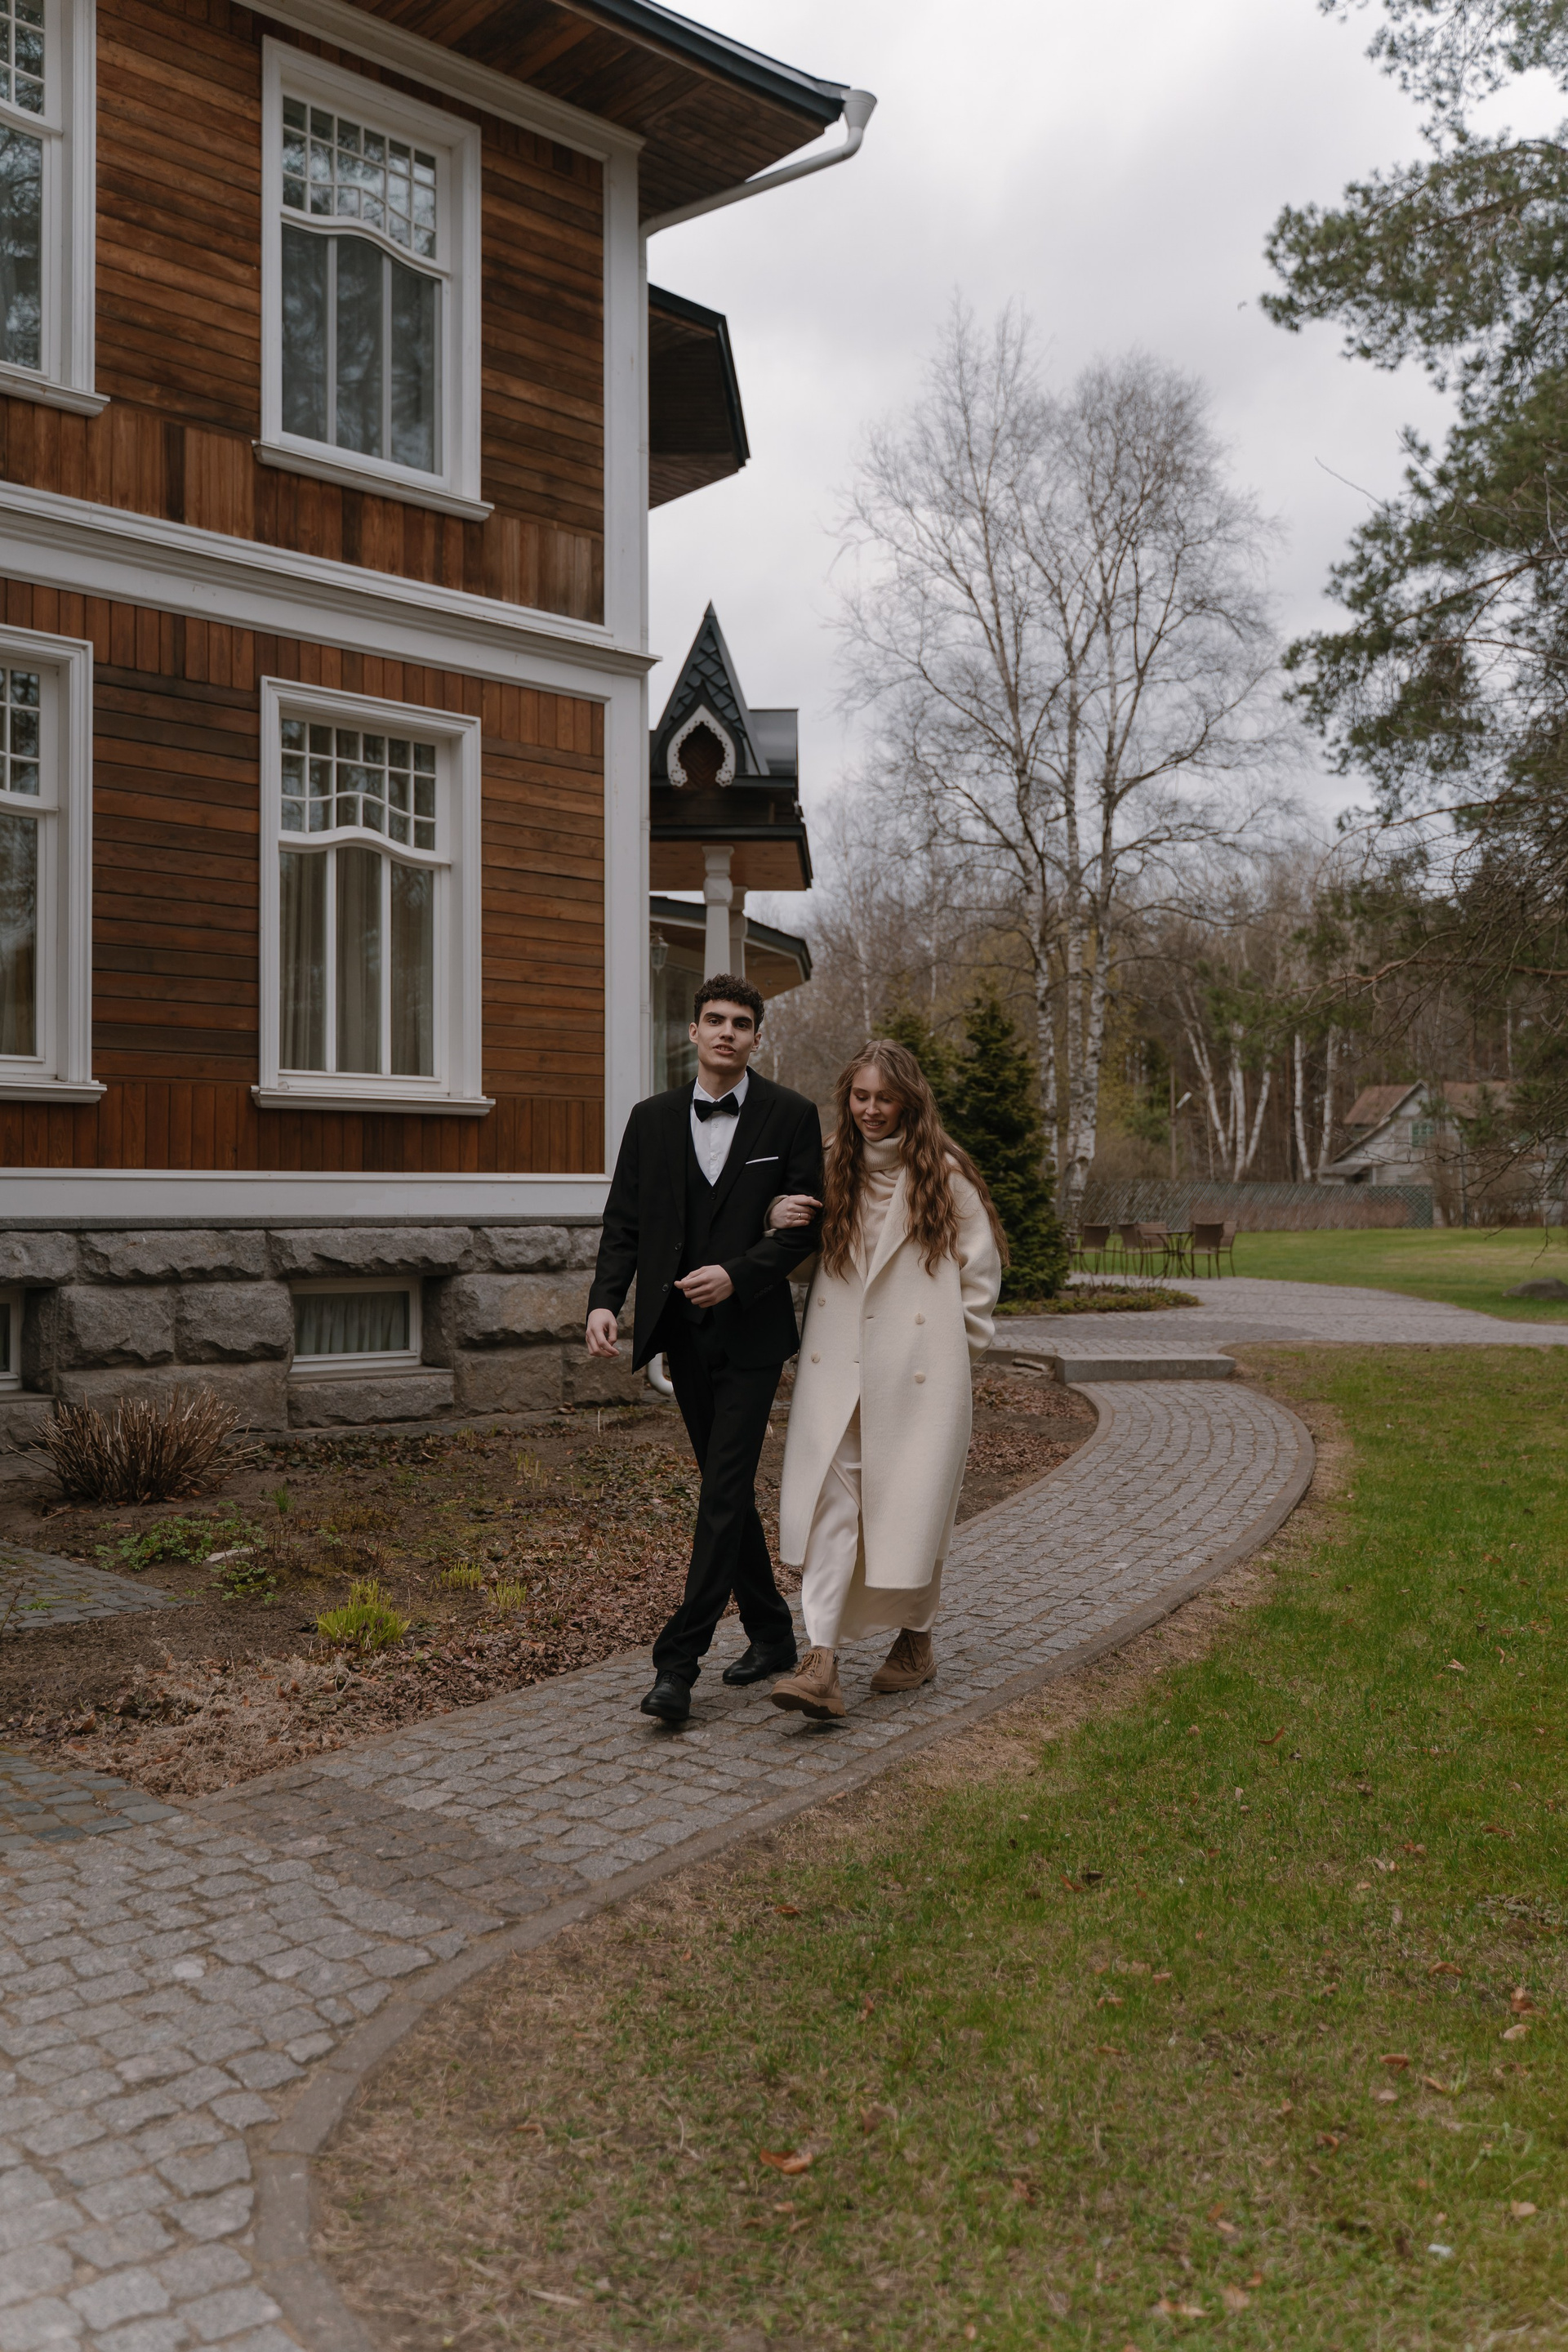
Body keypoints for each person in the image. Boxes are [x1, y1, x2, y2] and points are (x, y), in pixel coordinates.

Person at [586, 975, 823, 1726]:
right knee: (730, 1494)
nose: (727, 1031)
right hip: (681, 1334)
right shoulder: (650, 1119)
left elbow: (805, 1230)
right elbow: (624, 1221)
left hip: (752, 1336)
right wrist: (604, 1300)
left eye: (741, 1023)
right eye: (714, 1020)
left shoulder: (791, 1115)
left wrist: (739, 1273)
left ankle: (678, 1665)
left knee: (721, 1492)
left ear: (757, 1037)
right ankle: (773, 1634)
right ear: (692, 1032)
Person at [764, 1039, 1004, 1721]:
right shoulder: (828, 1165)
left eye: (885, 1098)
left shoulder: (944, 1175)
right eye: (861, 1096)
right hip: (837, 1371)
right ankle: (821, 1659)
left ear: (908, 1102)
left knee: (911, 1510)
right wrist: (776, 1218)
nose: (871, 1110)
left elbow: (980, 1276)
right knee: (832, 1507)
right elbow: (800, 1262)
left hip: (921, 1376)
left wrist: (956, 1355)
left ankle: (915, 1640)